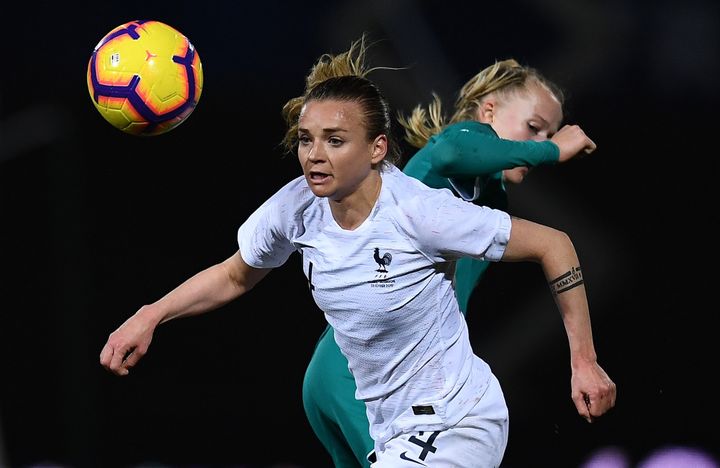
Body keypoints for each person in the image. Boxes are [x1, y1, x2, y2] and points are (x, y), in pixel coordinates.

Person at [100, 36, 616, 467]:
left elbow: (547, 244)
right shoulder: (310, 203)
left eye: (334, 139)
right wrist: (151, 315)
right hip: (355, 381)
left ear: (376, 149)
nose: (315, 154)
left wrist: (583, 362)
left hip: (446, 408)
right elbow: (235, 276)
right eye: (306, 139)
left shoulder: (431, 204)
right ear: (488, 111)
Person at [302, 55, 612, 466]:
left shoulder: (490, 197)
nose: (537, 142)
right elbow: (455, 147)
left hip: (368, 375)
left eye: (548, 133)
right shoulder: (454, 151)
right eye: (533, 128)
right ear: (488, 111)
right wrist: (553, 149)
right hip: (361, 375)